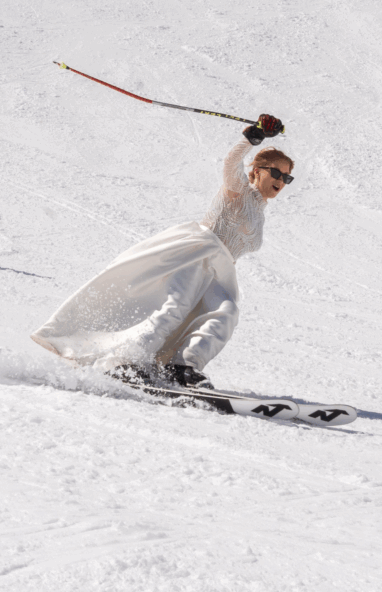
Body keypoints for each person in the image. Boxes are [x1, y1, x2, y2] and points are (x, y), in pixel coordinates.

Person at [31, 115, 291, 390]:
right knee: (175, 306)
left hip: (221, 269)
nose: (281, 181)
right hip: (198, 254)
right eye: (276, 173)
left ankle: (182, 367)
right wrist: (252, 138)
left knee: (225, 313)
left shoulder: (260, 212)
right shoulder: (238, 191)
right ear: (257, 171)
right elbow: (230, 163)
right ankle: (124, 361)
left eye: (286, 177)